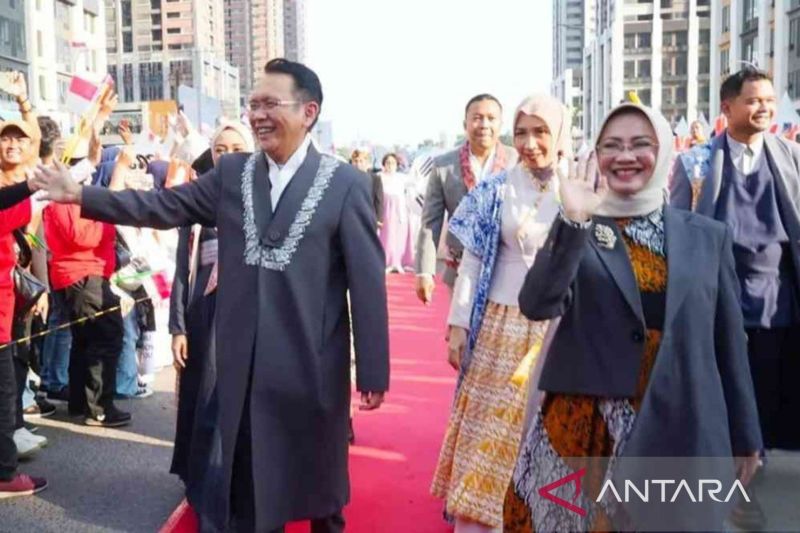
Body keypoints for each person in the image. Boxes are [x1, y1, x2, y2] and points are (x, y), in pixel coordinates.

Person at [34, 58, 389, 533]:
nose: (258, 114)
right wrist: (82, 195)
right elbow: (161, 206)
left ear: (308, 111)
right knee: (247, 480)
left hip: (312, 361)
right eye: (253, 104)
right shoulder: (233, 174)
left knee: (319, 483)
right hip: (242, 361)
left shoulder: (346, 184)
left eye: (270, 103)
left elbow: (367, 281)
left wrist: (372, 368)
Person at [505, 102, 762, 531]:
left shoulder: (706, 236)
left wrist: (746, 433)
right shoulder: (580, 227)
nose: (626, 156)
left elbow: (728, 344)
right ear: (597, 156)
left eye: (641, 145)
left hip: (679, 422)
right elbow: (537, 304)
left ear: (662, 153)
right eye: (612, 146)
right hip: (585, 430)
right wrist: (573, 221)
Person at [431, 94, 570, 532]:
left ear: (560, 135)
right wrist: (458, 323)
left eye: (541, 131)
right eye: (523, 132)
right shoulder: (494, 189)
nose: (530, 143)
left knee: (543, 430)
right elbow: (471, 261)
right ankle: (484, 518)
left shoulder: (581, 189)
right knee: (492, 431)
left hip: (557, 331)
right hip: (498, 326)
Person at [670, 67, 800, 528]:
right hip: (717, 302)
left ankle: (754, 483)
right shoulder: (696, 164)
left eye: (768, 100)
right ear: (727, 108)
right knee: (722, 394)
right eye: (753, 100)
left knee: (766, 394)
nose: (764, 108)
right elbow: (676, 230)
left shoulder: (791, 157)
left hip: (776, 302)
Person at [169, 120, 253, 488]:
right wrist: (178, 328)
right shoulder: (197, 197)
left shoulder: (265, 196)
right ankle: (200, 477)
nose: (228, 156)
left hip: (249, 317)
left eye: (237, 149)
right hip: (204, 312)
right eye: (221, 149)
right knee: (201, 397)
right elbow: (182, 270)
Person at [415, 94, 517, 304]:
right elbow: (430, 222)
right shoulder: (444, 166)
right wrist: (424, 272)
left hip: (508, 267)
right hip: (461, 270)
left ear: (501, 124)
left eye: (491, 118)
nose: (484, 124)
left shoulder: (517, 162)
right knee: (462, 333)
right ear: (465, 124)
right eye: (477, 118)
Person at [0, 71, 48, 498]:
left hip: (20, 290)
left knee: (14, 370)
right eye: (5, 139)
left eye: (18, 139)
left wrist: (23, 104)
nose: (12, 144)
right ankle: (5, 469)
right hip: (1, 297)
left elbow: (37, 243)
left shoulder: (26, 179)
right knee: (6, 380)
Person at [378, 153, 415, 272]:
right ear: (384, 164)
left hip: (400, 210)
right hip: (386, 210)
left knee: (400, 236)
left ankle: (399, 262)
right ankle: (387, 262)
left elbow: (414, 185)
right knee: (387, 236)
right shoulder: (379, 177)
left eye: (393, 163)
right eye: (388, 163)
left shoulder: (401, 177)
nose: (390, 165)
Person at [350, 148, 383, 229]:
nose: (358, 164)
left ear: (367, 163)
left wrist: (378, 219)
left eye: (361, 161)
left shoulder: (375, 179)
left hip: (369, 218)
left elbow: (378, 200)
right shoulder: (348, 178)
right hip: (352, 217)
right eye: (355, 161)